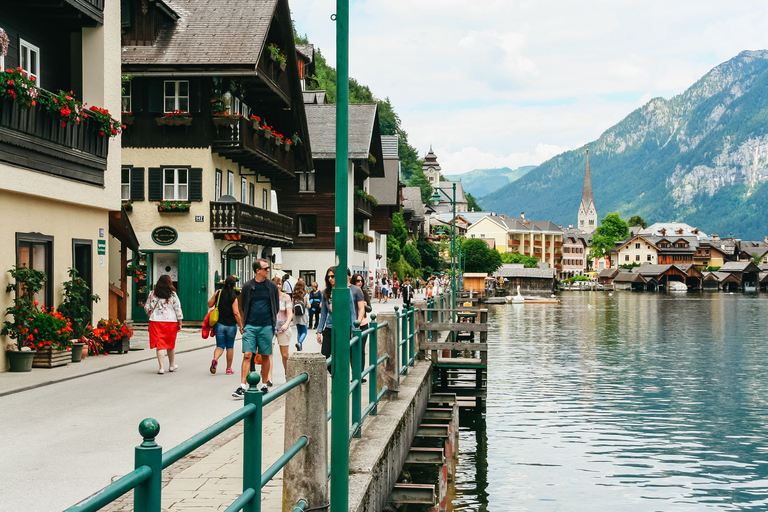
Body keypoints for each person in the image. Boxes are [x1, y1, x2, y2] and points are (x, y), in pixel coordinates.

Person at [234, 259, 279, 398]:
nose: (268, 270)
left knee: (265, 355)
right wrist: (242, 325)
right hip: (251, 325)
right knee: (247, 355)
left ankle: (264, 385)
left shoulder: (271, 286)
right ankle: (242, 386)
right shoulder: (248, 286)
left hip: (266, 326)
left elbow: (276, 306)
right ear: (257, 270)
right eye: (265, 268)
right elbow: (242, 306)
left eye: (268, 268)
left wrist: (272, 324)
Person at [144, 275, 183, 374]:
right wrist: (180, 321)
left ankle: (161, 367)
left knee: (160, 345)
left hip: (156, 321)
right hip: (170, 322)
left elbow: (147, 307)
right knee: (170, 344)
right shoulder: (172, 294)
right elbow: (177, 308)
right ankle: (171, 365)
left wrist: (151, 314)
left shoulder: (152, 294)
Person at [208, 275, 242, 375]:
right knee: (230, 346)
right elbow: (236, 312)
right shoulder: (234, 296)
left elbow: (210, 304)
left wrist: (215, 297)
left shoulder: (218, 292)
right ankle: (228, 369)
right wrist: (241, 325)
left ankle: (215, 359)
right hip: (231, 325)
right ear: (233, 285)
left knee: (220, 345)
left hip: (220, 324)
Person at [271, 276, 293, 381]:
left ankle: (287, 374)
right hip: (270, 328)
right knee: (268, 354)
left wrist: (286, 324)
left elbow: (289, 313)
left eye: (279, 284)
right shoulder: (268, 296)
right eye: (275, 283)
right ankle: (268, 379)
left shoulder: (286, 297)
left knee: (285, 355)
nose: (278, 286)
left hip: (283, 328)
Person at [292, 281, 310, 351]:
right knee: (304, 331)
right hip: (303, 314)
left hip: (296, 315)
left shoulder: (294, 295)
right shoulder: (305, 294)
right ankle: (299, 343)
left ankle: (300, 347)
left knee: (299, 331)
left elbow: (292, 305)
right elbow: (309, 305)